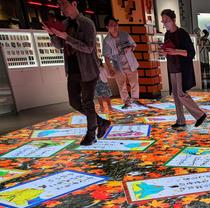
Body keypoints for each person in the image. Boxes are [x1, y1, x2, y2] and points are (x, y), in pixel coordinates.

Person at [43, 0, 110, 145]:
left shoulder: (87, 23)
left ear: (74, 4)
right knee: (74, 102)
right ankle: (101, 122)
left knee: (87, 103)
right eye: (59, 5)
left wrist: (66, 37)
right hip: (72, 70)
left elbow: (89, 48)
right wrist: (52, 35)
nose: (62, 8)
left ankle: (91, 134)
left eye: (64, 4)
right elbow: (59, 46)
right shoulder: (65, 24)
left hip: (87, 70)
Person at [160, 9, 207, 129]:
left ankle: (199, 114)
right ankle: (180, 120)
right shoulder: (167, 34)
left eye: (167, 20)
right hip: (172, 67)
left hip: (181, 68)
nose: (165, 23)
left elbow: (191, 52)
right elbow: (168, 51)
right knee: (176, 95)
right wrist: (165, 52)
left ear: (173, 20)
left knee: (180, 94)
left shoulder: (182, 33)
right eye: (163, 21)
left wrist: (175, 51)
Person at [102, 15, 141, 109]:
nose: (115, 27)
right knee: (122, 84)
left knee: (134, 82)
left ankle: (135, 100)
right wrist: (110, 68)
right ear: (107, 27)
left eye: (116, 24)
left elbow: (134, 45)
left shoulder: (125, 34)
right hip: (118, 65)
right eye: (112, 25)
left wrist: (130, 48)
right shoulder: (107, 41)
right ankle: (126, 101)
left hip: (130, 62)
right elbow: (107, 56)